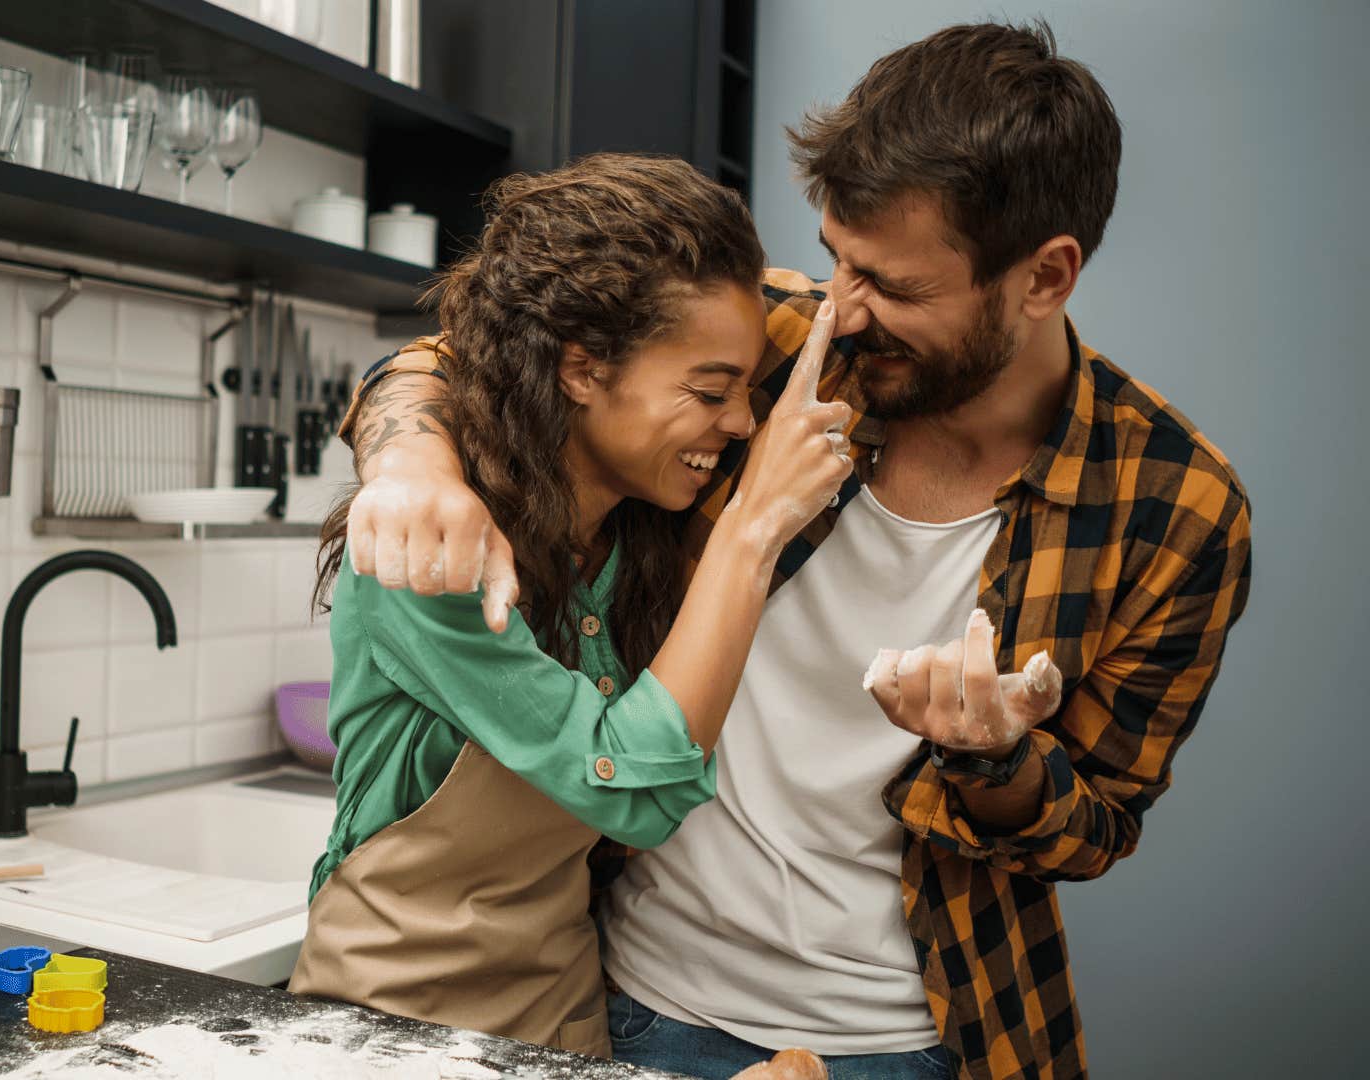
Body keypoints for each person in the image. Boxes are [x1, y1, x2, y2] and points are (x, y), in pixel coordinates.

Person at [330, 21, 1252, 1080]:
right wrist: (411, 467)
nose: (845, 311)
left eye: (895, 287)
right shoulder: (761, 346)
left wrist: (995, 758)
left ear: (1044, 277)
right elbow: (473, 354)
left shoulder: (1174, 507)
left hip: (914, 1041)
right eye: (835, 261)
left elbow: (1092, 830)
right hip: (631, 996)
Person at [289, 153, 852, 1060]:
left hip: (568, 1021)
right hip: (388, 1029)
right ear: (581, 370)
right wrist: (755, 529)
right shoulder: (431, 552)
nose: (744, 424)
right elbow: (634, 789)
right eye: (711, 392)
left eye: (746, 390)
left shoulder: (635, 525)